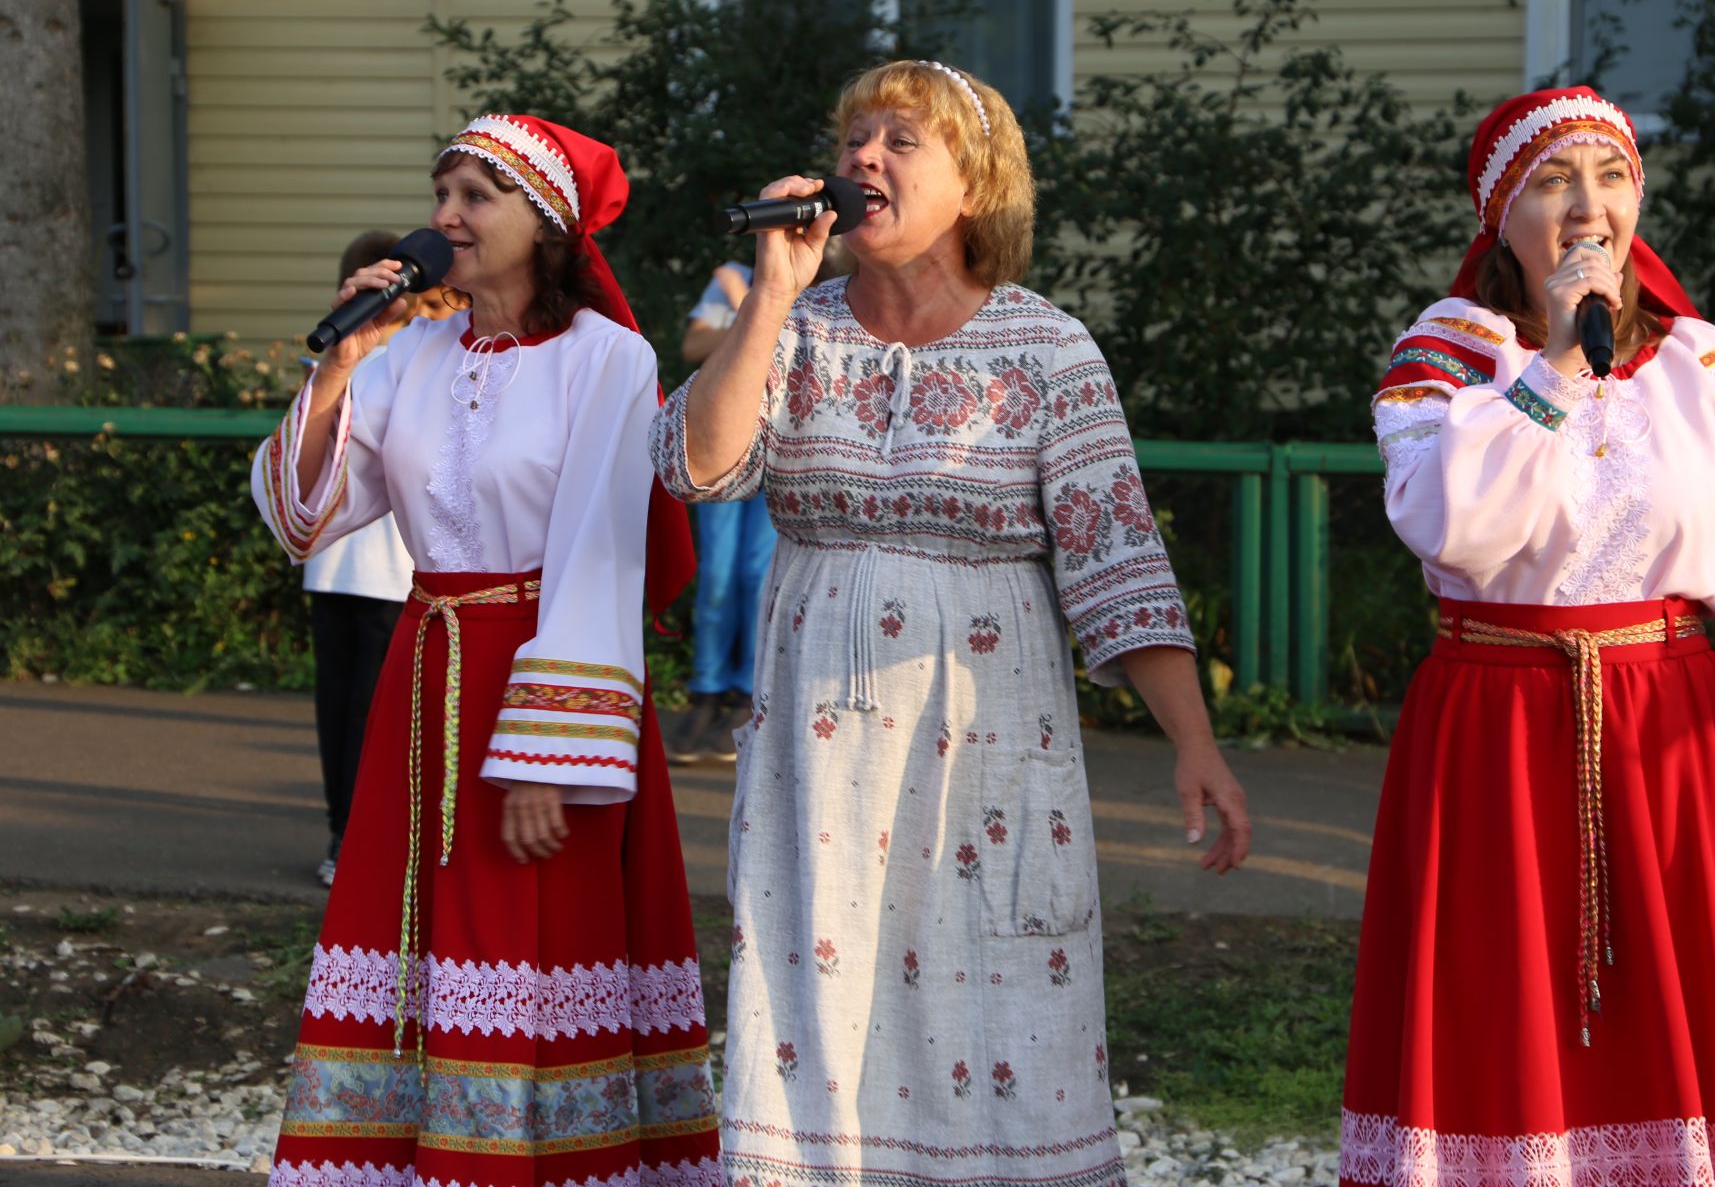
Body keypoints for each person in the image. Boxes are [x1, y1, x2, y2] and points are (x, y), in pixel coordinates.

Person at [649, 61, 1252, 1187]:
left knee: (1001, 1000)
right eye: (853, 137)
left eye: (899, 140)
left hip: (989, 752)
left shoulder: (1047, 349)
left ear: (975, 184)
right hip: (818, 764)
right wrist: (772, 293)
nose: (862, 157)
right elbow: (696, 465)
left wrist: (1196, 744)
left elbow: (1117, 557)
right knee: (817, 1007)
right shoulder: (794, 331)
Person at [1344, 85, 1715, 1186]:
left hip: (1672, 740)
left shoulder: (1704, 364)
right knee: (1497, 1018)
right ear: (1500, 213)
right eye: (1554, 180)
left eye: (1610, 177)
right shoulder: (1448, 355)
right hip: (1496, 735)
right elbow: (1455, 527)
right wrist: (1559, 362)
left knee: (1689, 1017)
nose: (1588, 206)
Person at [251, 114, 720, 1187]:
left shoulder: (608, 357)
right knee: (406, 934)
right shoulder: (407, 352)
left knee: (528, 941)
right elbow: (306, 517)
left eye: (477, 195)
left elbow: (604, 549)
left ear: (546, 224)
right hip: (428, 665)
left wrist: (550, 751)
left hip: (548, 671)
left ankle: (531, 1164)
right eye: (442, 191)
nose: (447, 215)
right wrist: (338, 367)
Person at [302, 230, 456, 888]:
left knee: (367, 714)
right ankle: (347, 835)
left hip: (394, 574)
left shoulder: (421, 355)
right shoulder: (363, 354)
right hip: (349, 569)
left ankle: (358, 837)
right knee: (345, 713)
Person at [669, 246, 850, 763]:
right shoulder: (738, 279)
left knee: (761, 575)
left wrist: (742, 305)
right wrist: (757, 308)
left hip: (790, 446)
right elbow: (693, 344)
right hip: (727, 445)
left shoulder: (836, 290)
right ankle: (707, 691)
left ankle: (751, 697)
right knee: (718, 576)